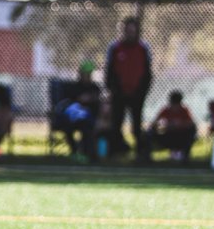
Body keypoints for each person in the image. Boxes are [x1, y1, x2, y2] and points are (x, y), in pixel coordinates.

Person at [105, 16, 153, 159]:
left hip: (137, 94)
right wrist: (113, 89)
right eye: (127, 30)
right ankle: (115, 151)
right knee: (116, 124)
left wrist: (142, 90)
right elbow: (109, 71)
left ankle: (141, 152)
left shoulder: (143, 48)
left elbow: (147, 72)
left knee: (136, 125)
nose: (130, 33)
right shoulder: (115, 48)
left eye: (132, 30)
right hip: (119, 93)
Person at [51, 60, 103, 161]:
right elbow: (67, 104)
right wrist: (79, 100)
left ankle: (87, 153)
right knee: (67, 127)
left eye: (89, 74)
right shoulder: (73, 87)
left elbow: (97, 103)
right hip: (71, 119)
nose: (88, 76)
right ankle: (74, 151)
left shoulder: (95, 88)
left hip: (88, 119)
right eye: (86, 73)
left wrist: (90, 100)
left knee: (87, 128)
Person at [148, 90, 197, 162]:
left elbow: (191, 124)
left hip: (181, 137)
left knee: (192, 131)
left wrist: (179, 125)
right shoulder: (166, 110)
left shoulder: (184, 111)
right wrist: (166, 126)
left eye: (177, 104)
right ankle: (146, 156)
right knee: (150, 132)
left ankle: (185, 157)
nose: (175, 106)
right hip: (167, 136)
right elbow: (155, 124)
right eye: (174, 103)